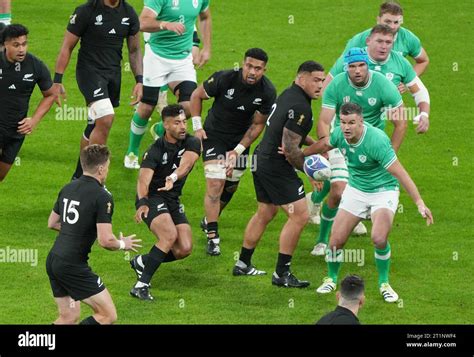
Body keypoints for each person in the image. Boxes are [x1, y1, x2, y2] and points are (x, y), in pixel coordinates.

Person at [303, 103, 433, 302]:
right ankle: (330, 278)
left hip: (383, 190)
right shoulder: (339, 134)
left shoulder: (377, 141)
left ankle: (384, 283)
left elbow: (401, 173)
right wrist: (300, 154)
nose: (346, 127)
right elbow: (324, 144)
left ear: (361, 122)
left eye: (352, 123)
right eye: (344, 122)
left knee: (379, 238)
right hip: (356, 189)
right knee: (336, 241)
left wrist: (419, 202)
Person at [232, 61, 324, 287]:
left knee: (265, 212)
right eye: (315, 80)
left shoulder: (288, 95)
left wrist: (317, 144)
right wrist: (309, 171)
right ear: (301, 78)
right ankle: (281, 273)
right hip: (275, 166)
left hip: (260, 159)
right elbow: (290, 149)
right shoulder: (302, 107)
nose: (320, 85)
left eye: (322, 81)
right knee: (300, 215)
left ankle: (243, 263)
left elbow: (291, 133)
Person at [309, 47, 405, 257]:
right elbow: (324, 121)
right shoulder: (337, 84)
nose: (357, 70)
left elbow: (400, 123)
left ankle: (319, 201)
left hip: (372, 145)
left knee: (360, 186)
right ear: (346, 68)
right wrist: (327, 148)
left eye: (361, 65)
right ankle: (322, 240)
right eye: (352, 66)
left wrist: (390, 155)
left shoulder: (383, 85)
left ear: (367, 65)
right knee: (338, 191)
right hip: (341, 139)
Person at [190, 48, 277, 256]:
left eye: (258, 68)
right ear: (243, 64)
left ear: (264, 70)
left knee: (230, 187)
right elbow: (196, 96)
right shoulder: (224, 78)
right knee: (215, 181)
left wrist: (237, 150)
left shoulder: (267, 92)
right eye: (249, 66)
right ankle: (213, 236)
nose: (252, 72)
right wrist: (197, 126)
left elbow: (258, 125)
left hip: (239, 141)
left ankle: (208, 219)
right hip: (214, 136)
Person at [46, 144, 141, 324]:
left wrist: (78, 230)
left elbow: (52, 223)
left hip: (53, 260)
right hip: (72, 265)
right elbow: (105, 240)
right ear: (101, 168)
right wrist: (122, 244)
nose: (107, 171)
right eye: (107, 167)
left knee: (68, 316)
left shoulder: (68, 187)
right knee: (108, 315)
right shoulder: (102, 196)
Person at [54, 0, 143, 180]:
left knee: (94, 124)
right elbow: (67, 46)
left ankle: (79, 176)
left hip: (112, 75)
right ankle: (94, 178)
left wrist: (140, 80)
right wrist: (57, 80)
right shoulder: (86, 11)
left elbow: (134, 51)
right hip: (89, 73)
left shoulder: (130, 13)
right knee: (105, 117)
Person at [123, 0, 212, 169]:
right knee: (147, 107)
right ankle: (132, 150)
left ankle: (160, 129)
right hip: (157, 57)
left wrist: (206, 48)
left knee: (187, 107)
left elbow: (205, 17)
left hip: (182, 60)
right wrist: (165, 24)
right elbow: (142, 22)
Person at [129, 104, 201, 301]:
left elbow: (186, 164)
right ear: (165, 125)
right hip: (151, 197)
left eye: (184, 122)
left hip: (172, 197)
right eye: (177, 123)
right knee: (169, 236)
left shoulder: (193, 142)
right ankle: (141, 285)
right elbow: (143, 180)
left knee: (183, 248)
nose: (183, 127)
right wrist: (143, 202)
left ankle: (143, 261)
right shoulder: (154, 151)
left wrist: (174, 177)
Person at [325, 25, 430, 133]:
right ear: (368, 41)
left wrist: (424, 114)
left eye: (388, 42)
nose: (384, 46)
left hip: (374, 133)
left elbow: (418, 90)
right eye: (379, 41)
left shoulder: (400, 63)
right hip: (342, 130)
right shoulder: (350, 60)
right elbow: (326, 87)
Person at [0, 24, 57, 182]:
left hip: (16, 132)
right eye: (16, 45)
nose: (21, 49)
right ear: (5, 44)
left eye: (24, 44)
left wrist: (34, 120)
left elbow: (51, 94)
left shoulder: (35, 65)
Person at [344, 1, 429, 86]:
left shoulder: (408, 39)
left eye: (396, 22)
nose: (392, 27)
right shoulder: (361, 39)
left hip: (390, 96)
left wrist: (407, 82)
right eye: (388, 22)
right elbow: (343, 66)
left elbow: (423, 61)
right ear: (378, 20)